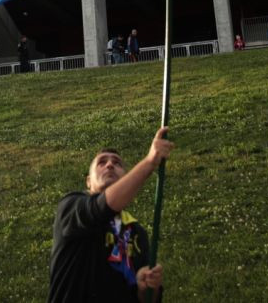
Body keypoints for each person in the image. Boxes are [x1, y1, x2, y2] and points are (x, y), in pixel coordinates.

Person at [48, 126, 174, 302]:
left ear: (124, 179)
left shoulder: (137, 232)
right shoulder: (71, 206)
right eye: (102, 163)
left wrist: (145, 287)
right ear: (88, 181)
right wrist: (149, 163)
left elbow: (147, 300)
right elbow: (101, 207)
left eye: (117, 163)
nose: (110, 165)